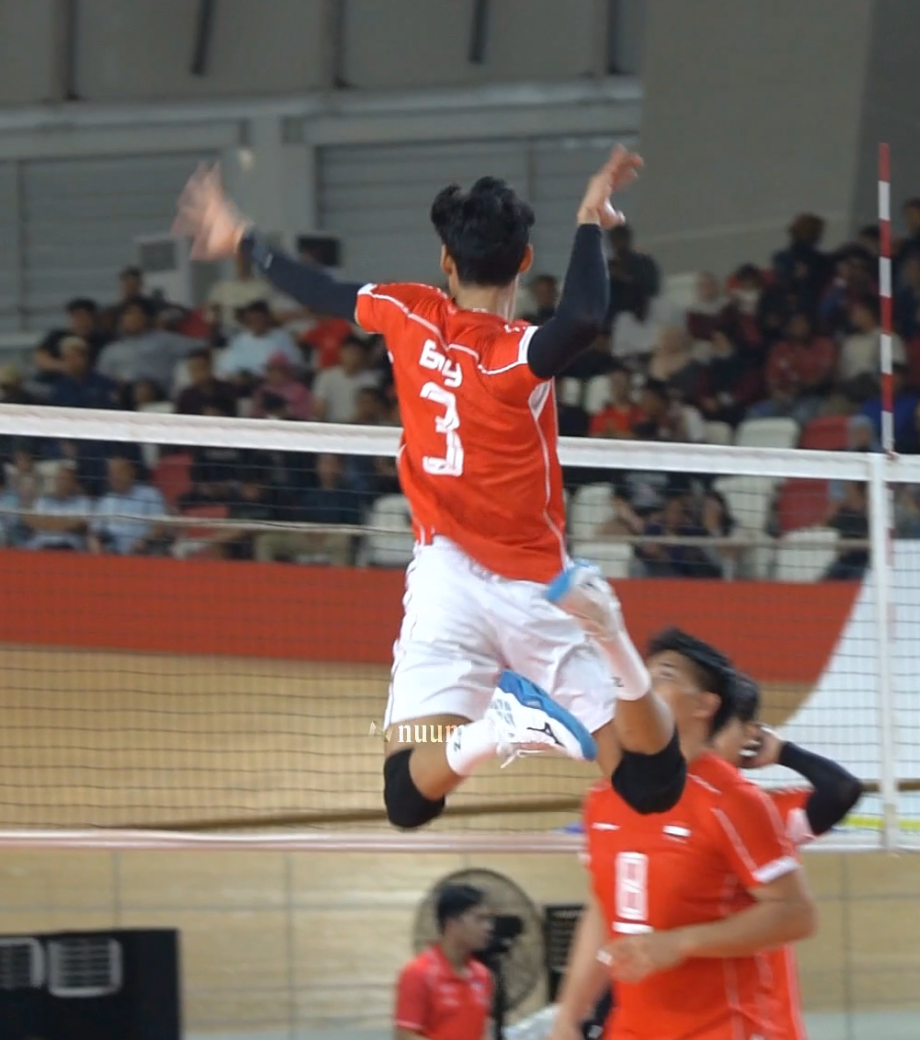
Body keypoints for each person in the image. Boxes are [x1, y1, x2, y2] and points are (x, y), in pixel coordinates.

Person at [174, 152, 685, 830]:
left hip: (446, 580)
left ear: (445, 264)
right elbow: (584, 319)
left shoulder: (404, 312)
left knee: (406, 797)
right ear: (525, 260)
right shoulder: (516, 354)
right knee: (653, 786)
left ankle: (495, 733)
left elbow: (316, 288)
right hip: (539, 586)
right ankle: (605, 645)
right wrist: (590, 219)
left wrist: (241, 238)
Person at [553, 628, 816, 1040]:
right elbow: (603, 911)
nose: (642, 687)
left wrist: (679, 943)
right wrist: (569, 1014)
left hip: (726, 1028)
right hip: (632, 1028)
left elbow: (796, 915)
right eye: (640, 675)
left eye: (664, 676)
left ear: (705, 705)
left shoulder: (732, 800)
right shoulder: (604, 798)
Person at [713, 672, 862, 1040]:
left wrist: (782, 751)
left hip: (763, 1022)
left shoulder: (763, 814)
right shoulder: (657, 809)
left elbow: (842, 789)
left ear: (749, 733)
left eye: (720, 727)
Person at [394, 883, 493, 1040]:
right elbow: (405, 1036)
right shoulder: (417, 973)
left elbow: (482, 1032)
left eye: (488, 919)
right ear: (452, 923)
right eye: (479, 919)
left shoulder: (482, 975)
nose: (488, 927)